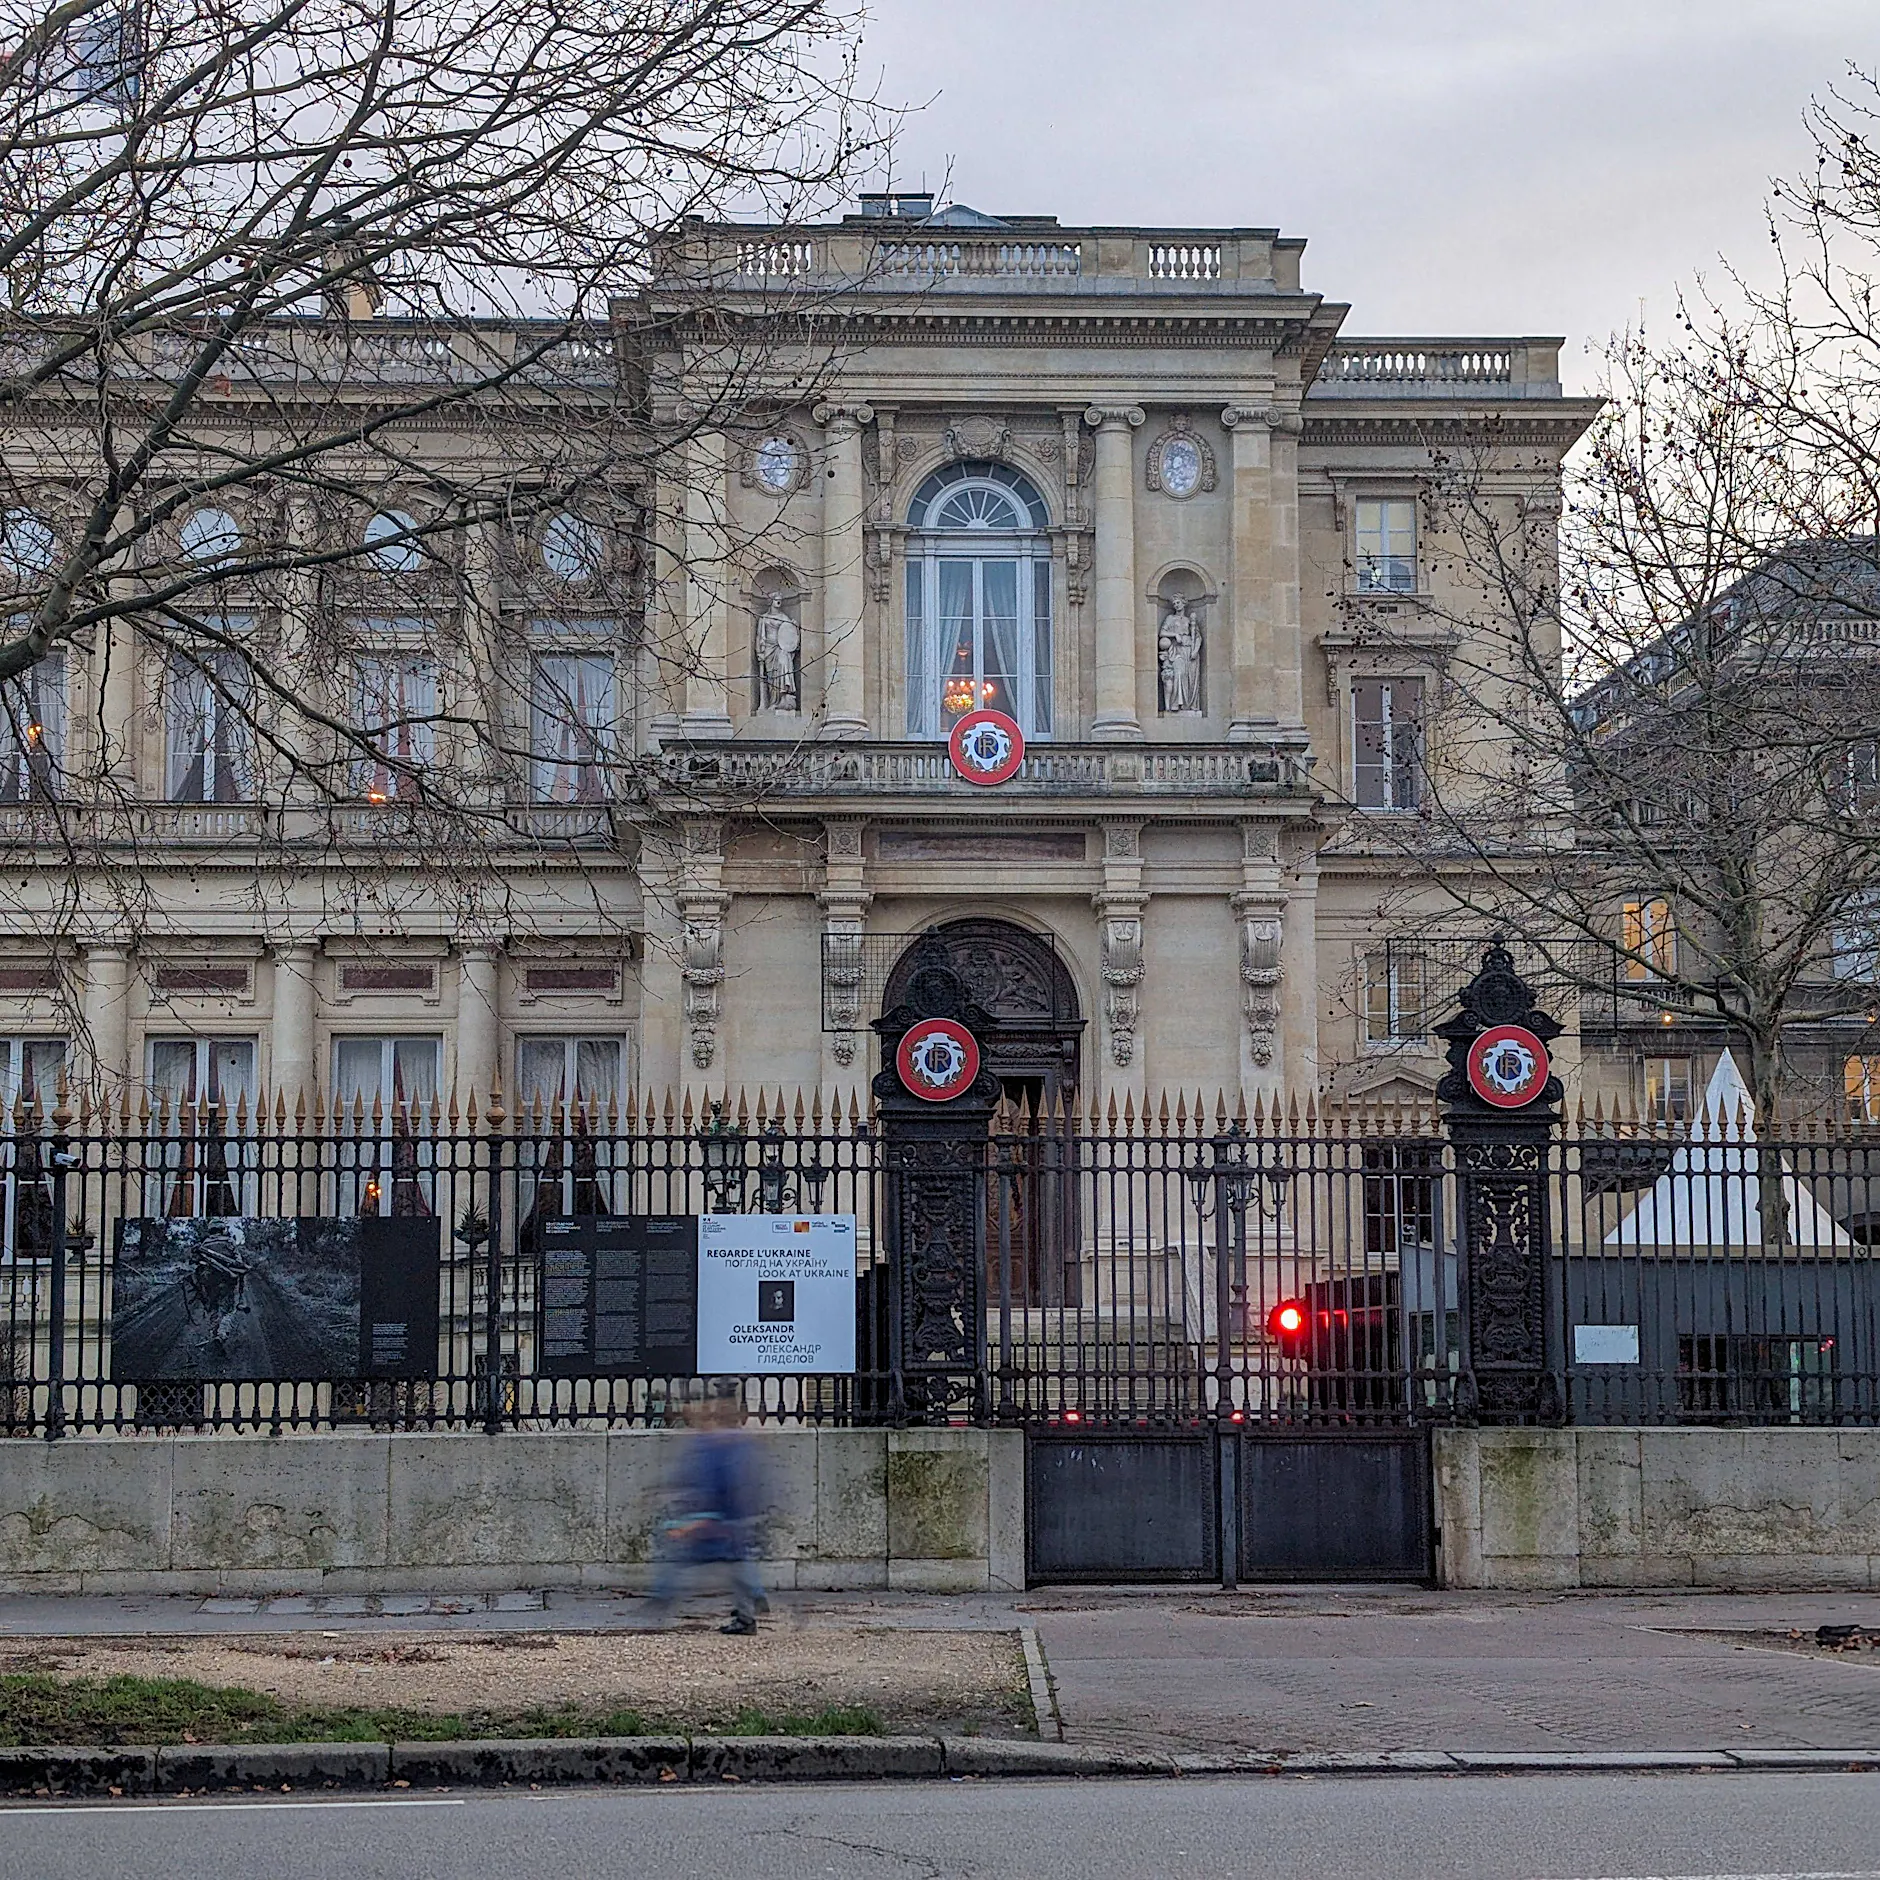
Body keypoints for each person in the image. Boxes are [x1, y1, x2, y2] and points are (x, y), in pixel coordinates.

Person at [643, 1382, 768, 1634]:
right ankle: (753, 1600)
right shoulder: (731, 1442)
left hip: (718, 1517)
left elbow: (713, 1484)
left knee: (684, 1557)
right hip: (727, 1515)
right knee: (737, 1563)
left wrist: (701, 1519)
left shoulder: (715, 1445)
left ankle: (663, 1595)